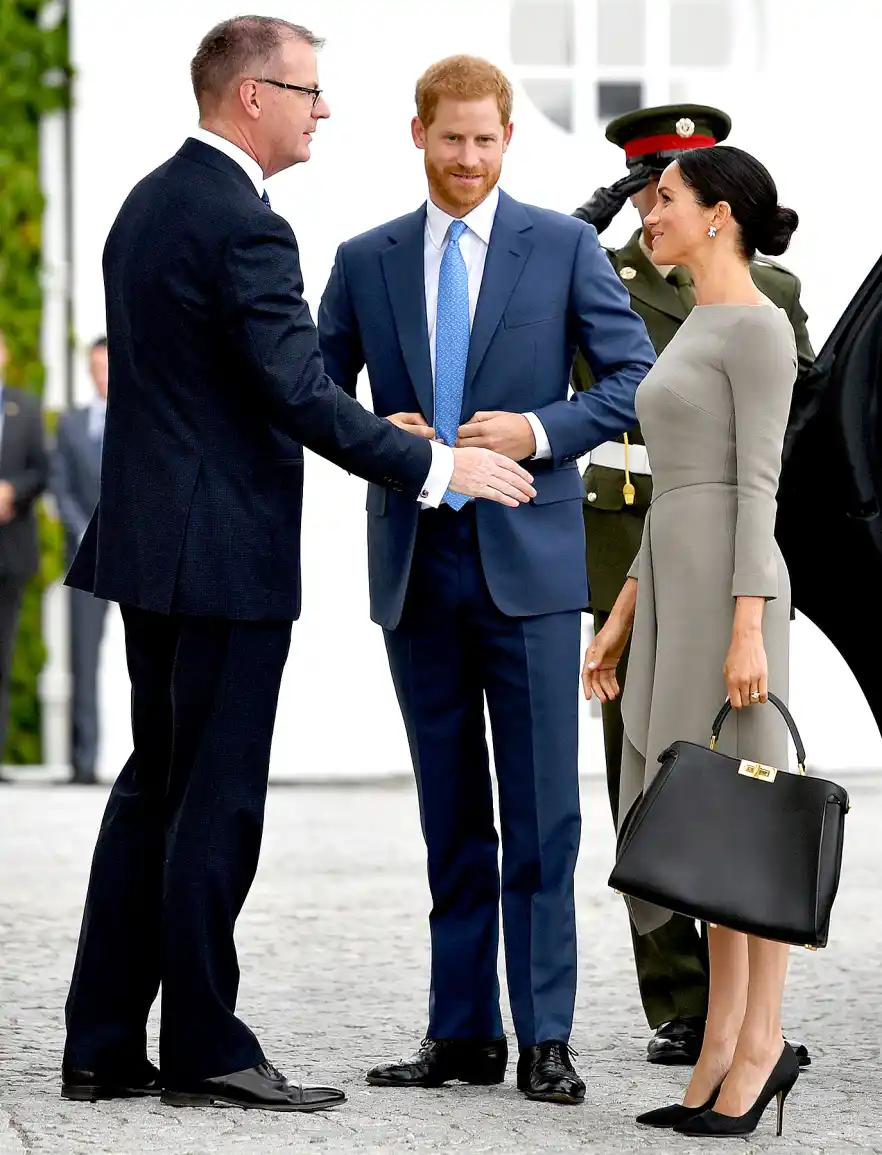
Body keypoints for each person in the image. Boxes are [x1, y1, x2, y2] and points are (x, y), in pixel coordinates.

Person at [59, 17, 534, 1114]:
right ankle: (208, 1050)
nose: (324, 109)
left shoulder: (151, 200)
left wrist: (369, 418)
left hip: (152, 548)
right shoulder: (246, 225)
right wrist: (431, 462)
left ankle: (102, 1044)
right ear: (251, 98)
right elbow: (292, 390)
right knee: (213, 804)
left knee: (154, 792)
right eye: (310, 90)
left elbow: (250, 370)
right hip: (220, 555)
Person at [317, 55, 655, 1106]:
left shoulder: (559, 247)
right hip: (417, 562)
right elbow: (313, 391)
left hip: (533, 564)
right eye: (451, 138)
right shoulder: (364, 259)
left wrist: (547, 428)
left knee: (547, 812)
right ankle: (462, 1035)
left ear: (508, 142)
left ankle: (545, 1035)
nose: (468, 159)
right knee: (452, 812)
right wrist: (381, 434)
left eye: (486, 141)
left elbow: (638, 377)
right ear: (416, 133)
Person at [571, 104, 813, 1068]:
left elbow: (761, 475)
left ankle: (752, 1055)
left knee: (741, 816)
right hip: (665, 574)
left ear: (716, 211)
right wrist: (625, 615)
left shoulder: (756, 317)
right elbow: (670, 479)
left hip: (728, 586)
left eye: (665, 193)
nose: (646, 206)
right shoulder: (685, 304)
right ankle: (715, 1045)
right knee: (680, 811)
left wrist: (749, 622)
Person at [50, 336, 109, 785]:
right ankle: (83, 761)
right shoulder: (70, 425)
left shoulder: (145, 420)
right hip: (87, 559)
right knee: (82, 660)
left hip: (140, 556)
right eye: (96, 367)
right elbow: (61, 487)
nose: (102, 374)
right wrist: (85, 530)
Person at [0, 327, 49, 780]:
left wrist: (12, 490)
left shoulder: (25, 408)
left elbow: (42, 470)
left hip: (9, 552)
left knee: (3, 655)